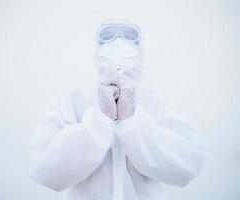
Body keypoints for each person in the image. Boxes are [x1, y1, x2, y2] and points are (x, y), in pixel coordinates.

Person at [28, 20, 206, 200]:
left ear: (140, 47)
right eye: (108, 36)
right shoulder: (72, 101)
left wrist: (133, 123)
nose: (118, 42)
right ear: (97, 48)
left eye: (130, 37)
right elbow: (46, 171)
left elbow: (187, 165)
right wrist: (99, 121)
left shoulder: (160, 102)